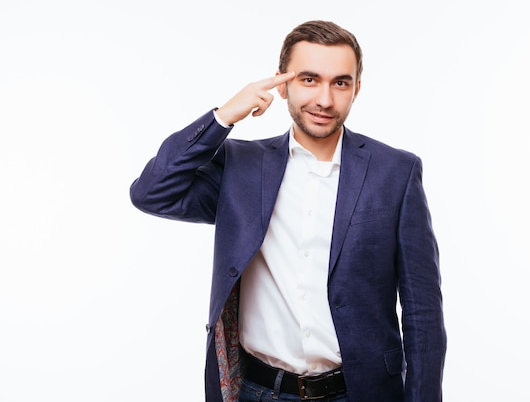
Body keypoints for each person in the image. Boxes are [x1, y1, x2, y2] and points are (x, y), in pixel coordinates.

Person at [130, 20, 446, 402]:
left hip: (361, 392)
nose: (325, 100)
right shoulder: (241, 168)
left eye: (340, 82)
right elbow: (152, 192)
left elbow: (423, 313)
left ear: (356, 89)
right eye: (310, 79)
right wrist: (224, 116)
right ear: (283, 85)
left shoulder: (395, 172)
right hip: (258, 391)